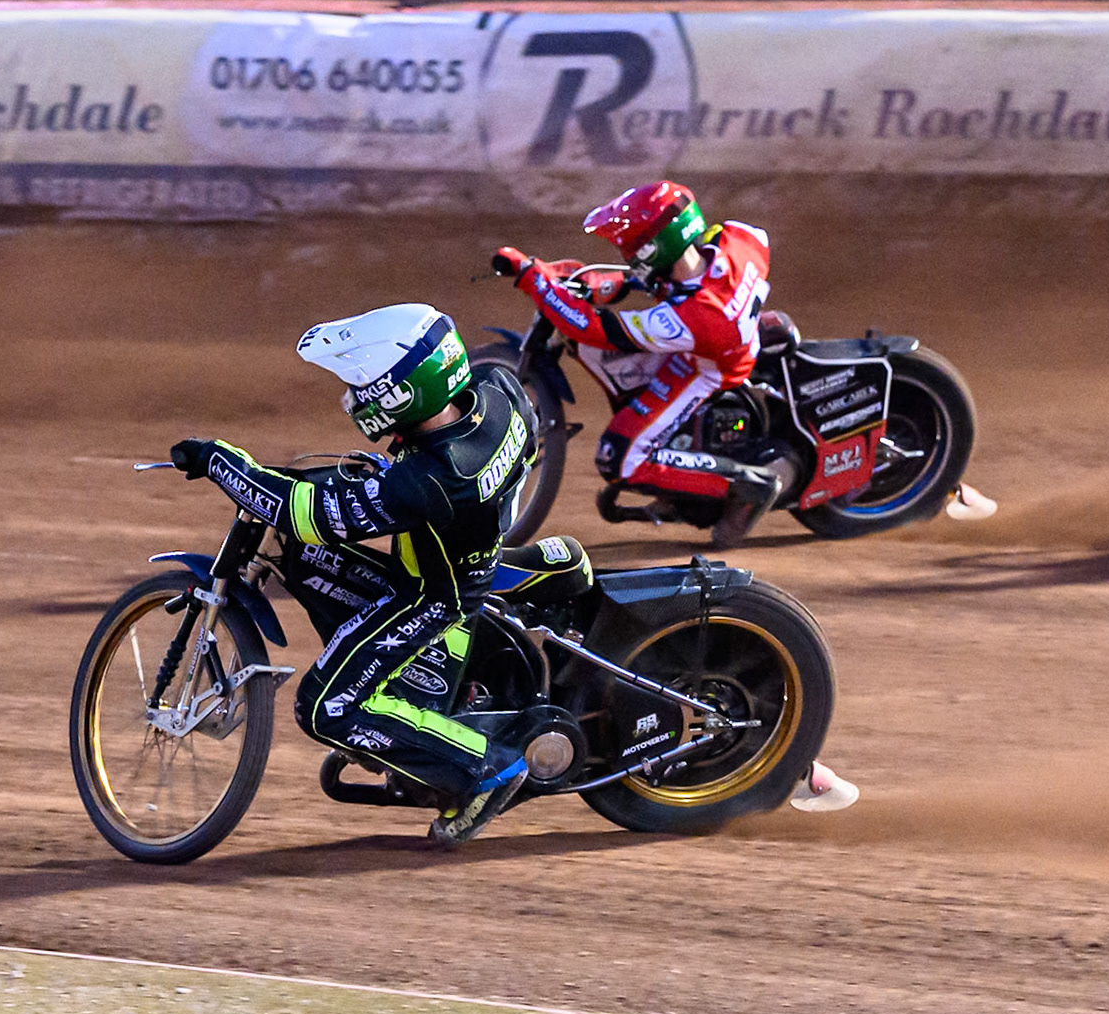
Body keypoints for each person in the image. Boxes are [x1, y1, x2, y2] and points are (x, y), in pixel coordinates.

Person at [168, 303, 537, 849]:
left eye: (364, 388)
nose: (354, 399)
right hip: (459, 550)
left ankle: (485, 768)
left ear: (402, 393)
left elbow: (304, 515)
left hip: (437, 597)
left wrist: (221, 460)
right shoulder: (495, 389)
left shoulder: (433, 479)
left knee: (324, 706)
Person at [493, 180, 789, 547]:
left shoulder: (688, 319)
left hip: (706, 370)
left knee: (617, 459)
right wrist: (613, 282)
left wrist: (533, 280)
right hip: (726, 335)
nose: (626, 252)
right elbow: (683, 275)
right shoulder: (740, 239)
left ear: (653, 247)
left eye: (632, 245)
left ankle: (749, 485)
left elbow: (595, 329)